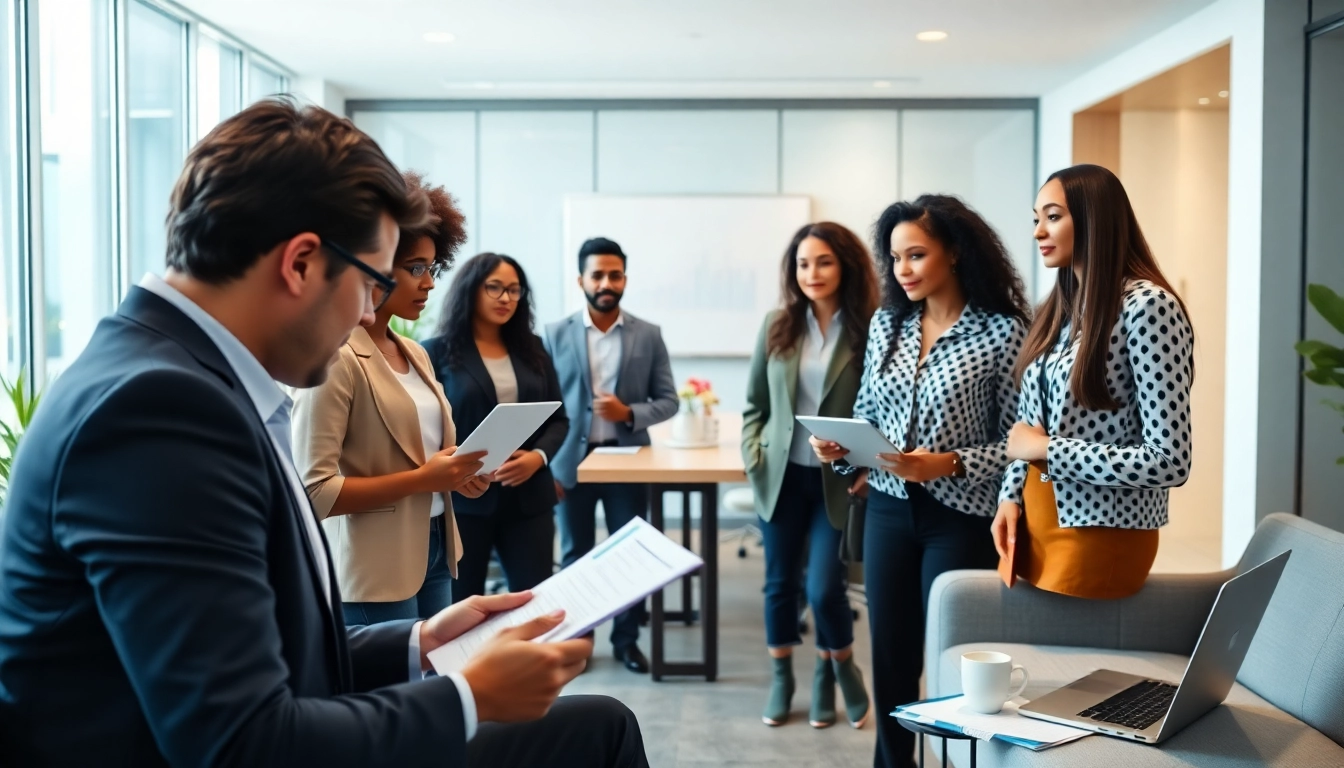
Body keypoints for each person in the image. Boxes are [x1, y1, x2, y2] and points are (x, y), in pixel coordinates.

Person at [0, 99, 647, 767]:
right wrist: (468, 697)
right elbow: (241, 744)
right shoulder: (158, 411)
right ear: (302, 263)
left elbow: (261, 650)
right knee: (598, 734)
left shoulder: (175, 375)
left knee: (600, 725)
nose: (377, 308)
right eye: (373, 282)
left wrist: (419, 641)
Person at [811, 195, 1030, 768]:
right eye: (895, 258)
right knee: (891, 654)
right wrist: (840, 451)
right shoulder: (889, 323)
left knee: (953, 655)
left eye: (916, 255)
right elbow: (868, 414)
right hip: (886, 510)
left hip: (960, 517)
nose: (902, 269)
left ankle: (962, 760)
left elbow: (1018, 444)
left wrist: (947, 463)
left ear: (954, 253)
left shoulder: (1002, 333)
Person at [292, 171, 487, 626]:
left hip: (435, 548)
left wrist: (456, 474)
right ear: (374, 266)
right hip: (373, 567)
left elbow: (416, 457)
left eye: (433, 269)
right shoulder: (335, 357)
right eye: (415, 268)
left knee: (430, 688)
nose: (430, 283)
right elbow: (314, 492)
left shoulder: (415, 352)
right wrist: (424, 478)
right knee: (394, 694)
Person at [992, 164, 1194, 600]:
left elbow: (1169, 461)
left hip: (1102, 532)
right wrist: (1009, 497)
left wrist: (1048, 451)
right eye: (1036, 219)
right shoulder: (1059, 311)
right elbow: (1028, 428)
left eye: (1053, 216)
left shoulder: (1150, 307)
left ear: (1093, 219)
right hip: (1036, 522)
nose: (1038, 232)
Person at [742, 222, 880, 729]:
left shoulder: (872, 327)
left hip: (837, 481)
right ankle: (784, 679)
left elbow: (882, 411)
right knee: (779, 584)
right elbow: (755, 405)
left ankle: (836, 666)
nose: (812, 273)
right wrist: (754, 454)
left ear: (845, 265)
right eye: (803, 263)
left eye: (823, 261)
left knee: (824, 588)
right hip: (780, 476)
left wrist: (867, 464)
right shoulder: (777, 325)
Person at [544, 236, 679, 674]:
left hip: (626, 459)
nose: (606, 282)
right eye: (597, 274)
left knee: (630, 557)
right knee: (574, 555)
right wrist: (546, 462)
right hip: (570, 462)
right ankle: (577, 642)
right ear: (581, 279)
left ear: (625, 279)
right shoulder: (554, 334)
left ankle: (626, 642)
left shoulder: (649, 335)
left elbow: (669, 401)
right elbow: (542, 405)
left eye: (614, 274)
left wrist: (628, 413)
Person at [422, 252, 569, 602]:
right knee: (461, 604)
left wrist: (538, 457)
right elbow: (424, 428)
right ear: (471, 290)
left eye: (515, 290)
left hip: (528, 497)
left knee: (533, 601)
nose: (506, 298)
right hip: (465, 499)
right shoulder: (434, 352)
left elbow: (559, 419)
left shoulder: (533, 348)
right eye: (495, 288)